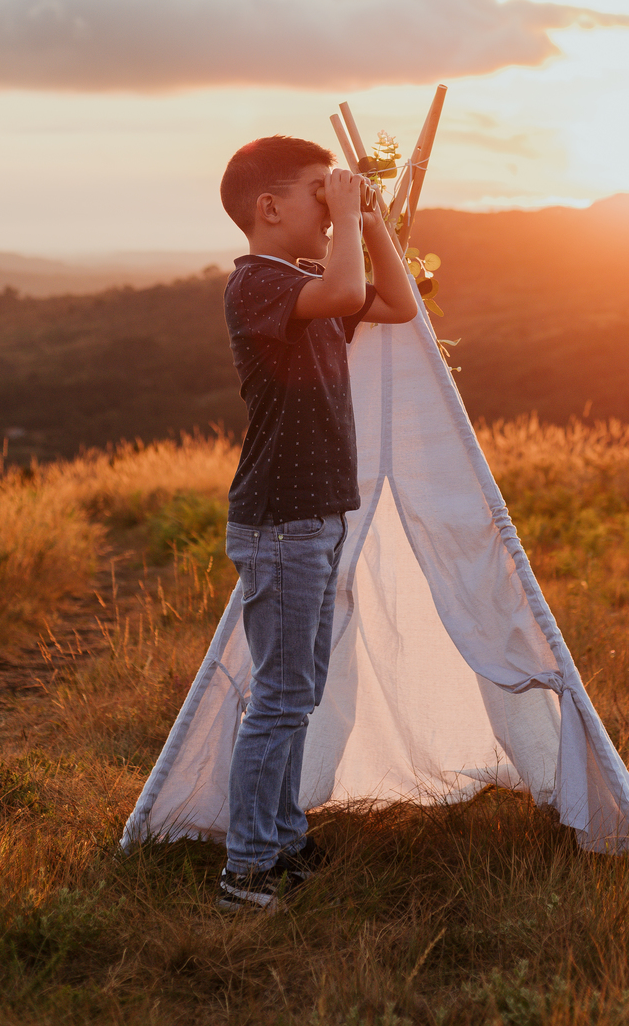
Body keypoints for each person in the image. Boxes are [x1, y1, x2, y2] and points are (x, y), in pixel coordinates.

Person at [215, 135, 419, 911]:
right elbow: (343, 297)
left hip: (316, 517)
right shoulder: (257, 285)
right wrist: (347, 217)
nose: (328, 210)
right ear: (269, 210)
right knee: (281, 695)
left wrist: (366, 220)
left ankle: (282, 836)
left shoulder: (306, 282)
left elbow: (398, 305)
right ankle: (246, 867)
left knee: (300, 690)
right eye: (314, 195)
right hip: (281, 521)